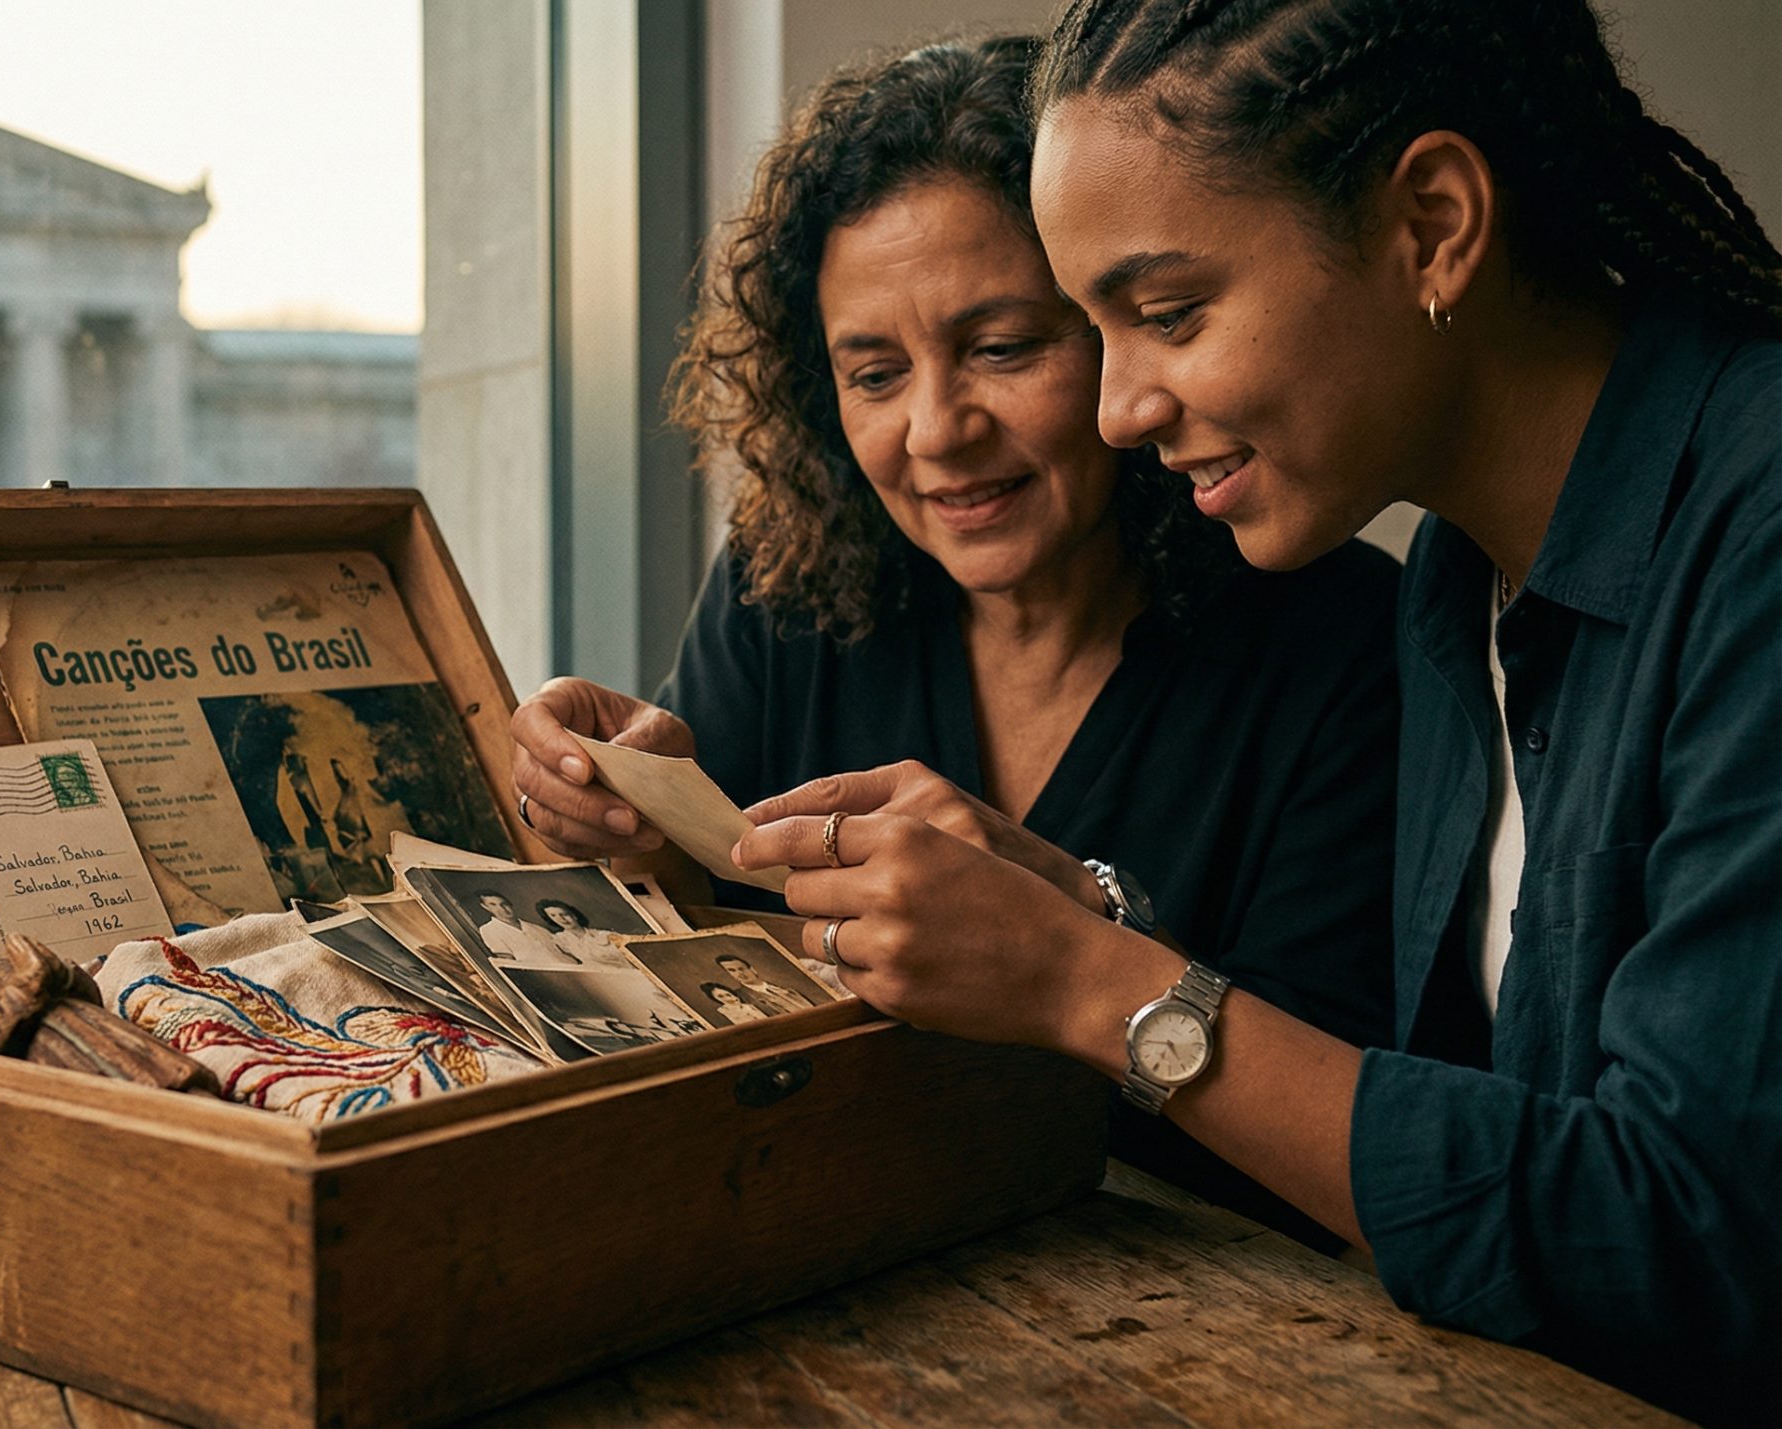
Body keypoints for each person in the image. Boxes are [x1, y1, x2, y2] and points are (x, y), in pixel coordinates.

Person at [738, 3, 1782, 1419]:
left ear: (1434, 223)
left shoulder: (1755, 530)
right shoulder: (1456, 588)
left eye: (1166, 313)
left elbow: (1686, 1244)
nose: (1114, 410)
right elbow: (1467, 1133)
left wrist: (1088, 987)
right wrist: (1078, 918)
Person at [509, 36, 1397, 1241]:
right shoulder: (783, 590)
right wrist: (617, 821)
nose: (936, 429)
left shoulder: (1346, 642)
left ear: (1115, 330)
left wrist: (1080, 947)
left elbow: (1344, 1127)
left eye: (1000, 348)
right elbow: (688, 945)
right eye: (874, 373)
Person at [0, 852, 217, 1095]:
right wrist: (30, 978)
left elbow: (89, 997)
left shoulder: (2, 960)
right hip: (74, 1069)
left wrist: (62, 973)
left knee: (196, 1096)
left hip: (118, 1044)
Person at [469, 890, 577, 968]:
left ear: (511, 905)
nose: (502, 909)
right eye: (493, 905)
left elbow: (566, 951)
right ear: (486, 907)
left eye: (504, 904)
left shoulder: (536, 928)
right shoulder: (489, 930)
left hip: (572, 967)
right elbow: (508, 962)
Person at [534, 898, 628, 968]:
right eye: (553, 916)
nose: (561, 919)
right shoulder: (559, 941)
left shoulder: (604, 935)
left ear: (574, 916)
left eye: (564, 914)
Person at [715, 952, 814, 1017]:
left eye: (741, 969)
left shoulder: (783, 987)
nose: (739, 973)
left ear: (752, 969)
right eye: (732, 971)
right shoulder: (742, 998)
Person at [701, 982, 765, 1027]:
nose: (727, 998)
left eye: (728, 994)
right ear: (715, 999)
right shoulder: (723, 1012)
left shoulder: (748, 1003)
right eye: (720, 996)